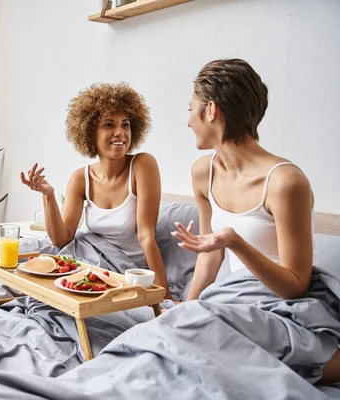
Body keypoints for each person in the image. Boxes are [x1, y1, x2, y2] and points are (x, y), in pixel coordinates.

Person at [172, 58, 340, 383]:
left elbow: (295, 285)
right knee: (183, 331)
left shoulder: (285, 182)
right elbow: (210, 256)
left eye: (190, 109)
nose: (188, 121)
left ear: (211, 110)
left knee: (206, 344)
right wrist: (185, 306)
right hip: (236, 301)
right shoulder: (202, 173)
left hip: (287, 307)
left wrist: (236, 241)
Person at [21, 82, 171, 297]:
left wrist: (163, 295)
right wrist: (49, 196)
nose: (120, 132)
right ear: (90, 131)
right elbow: (62, 239)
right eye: (109, 125)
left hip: (123, 271)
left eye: (125, 124)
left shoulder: (142, 165)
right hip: (88, 261)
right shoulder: (80, 178)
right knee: (22, 258)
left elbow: (146, 236)